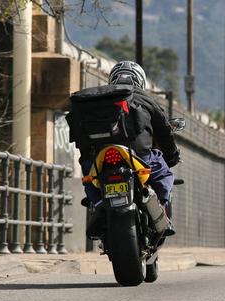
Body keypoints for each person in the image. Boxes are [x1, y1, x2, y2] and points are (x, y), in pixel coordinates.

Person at [77, 61, 180, 238]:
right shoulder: (145, 98)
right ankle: (161, 210)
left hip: (98, 159)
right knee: (165, 173)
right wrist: (172, 156)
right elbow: (164, 132)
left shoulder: (95, 100)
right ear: (140, 81)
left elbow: (80, 138)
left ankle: (98, 204)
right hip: (139, 157)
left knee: (89, 176)